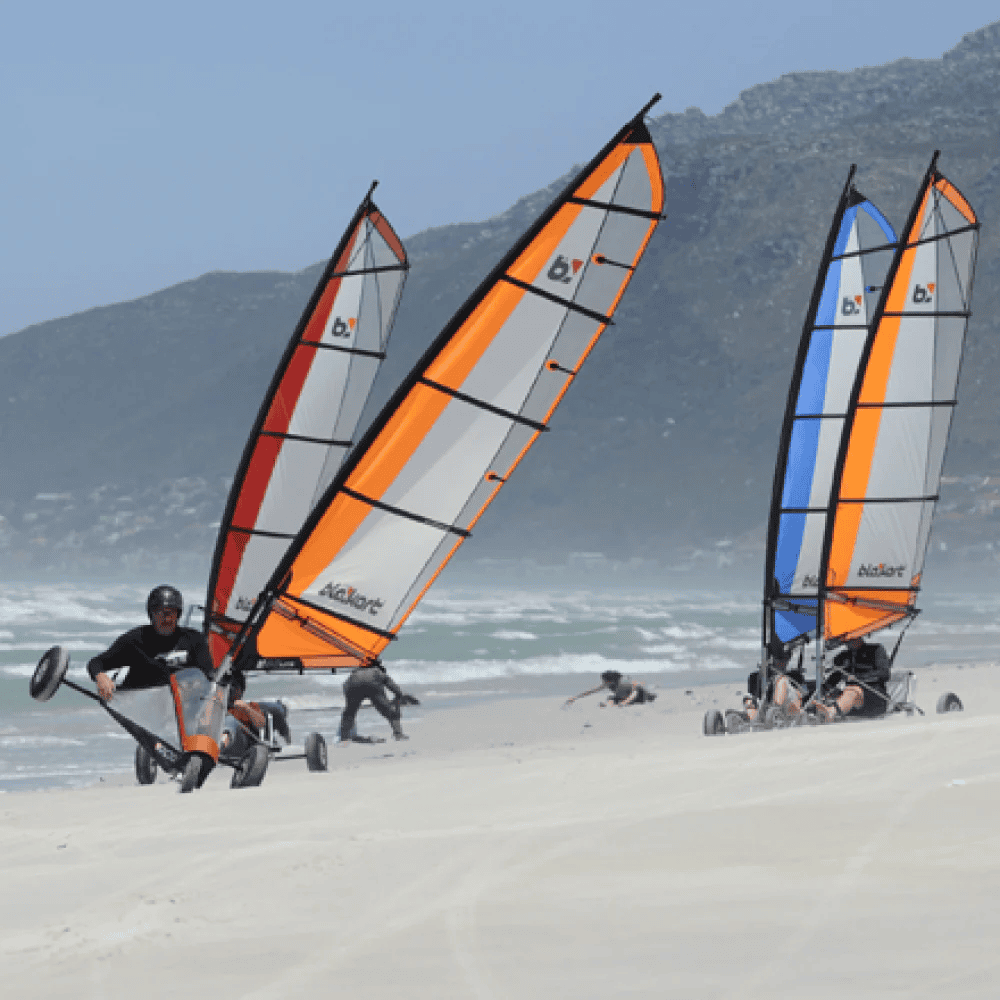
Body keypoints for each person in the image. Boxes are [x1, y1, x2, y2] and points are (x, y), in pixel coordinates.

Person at [87, 585, 214, 702]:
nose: (166, 618)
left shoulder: (193, 639)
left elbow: (210, 678)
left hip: (183, 712)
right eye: (160, 612)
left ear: (178, 614)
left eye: (171, 612)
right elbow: (96, 663)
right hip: (142, 712)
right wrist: (100, 676)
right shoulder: (135, 640)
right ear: (151, 614)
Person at [339, 663, 411, 742]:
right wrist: (398, 696)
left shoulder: (356, 671)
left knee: (349, 713)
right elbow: (393, 687)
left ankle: (344, 737)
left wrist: (349, 702)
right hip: (373, 686)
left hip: (353, 684)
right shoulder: (378, 671)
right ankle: (398, 734)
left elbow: (345, 686)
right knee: (389, 711)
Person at [565, 670, 657, 707]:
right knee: (610, 699)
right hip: (625, 696)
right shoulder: (608, 684)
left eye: (604, 681)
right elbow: (592, 691)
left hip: (640, 696)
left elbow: (635, 692)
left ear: (611, 680)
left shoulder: (623, 682)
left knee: (613, 699)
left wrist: (625, 702)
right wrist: (575, 697)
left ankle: (651, 696)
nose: (603, 683)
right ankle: (607, 706)